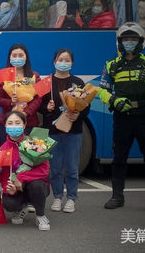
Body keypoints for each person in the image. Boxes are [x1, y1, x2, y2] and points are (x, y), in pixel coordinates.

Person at [97, 22, 145, 213]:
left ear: (141, 42)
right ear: (120, 42)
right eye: (126, 39)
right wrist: (113, 100)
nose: (129, 43)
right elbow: (102, 90)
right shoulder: (112, 65)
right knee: (118, 157)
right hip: (122, 117)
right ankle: (117, 196)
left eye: (133, 39)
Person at [38, 48, 90, 213]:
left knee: (72, 167)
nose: (63, 62)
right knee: (55, 167)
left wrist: (78, 115)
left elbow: (86, 106)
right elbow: (37, 106)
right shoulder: (45, 82)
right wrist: (46, 108)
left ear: (72, 63)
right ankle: (57, 197)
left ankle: (72, 198)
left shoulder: (77, 82)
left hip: (73, 131)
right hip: (52, 131)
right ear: (54, 62)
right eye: (61, 59)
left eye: (67, 60)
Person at [0, 111, 51, 230]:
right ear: (5, 126)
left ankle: (40, 215)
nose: (14, 126)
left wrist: (21, 179)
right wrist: (9, 189)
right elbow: (4, 176)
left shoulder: (34, 143)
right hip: (17, 188)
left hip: (34, 185)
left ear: (24, 125)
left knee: (37, 185)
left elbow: (44, 170)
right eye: (10, 123)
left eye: (18, 123)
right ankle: (20, 207)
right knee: (9, 203)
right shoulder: (3, 150)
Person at [0, 43, 42, 143]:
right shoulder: (2, 75)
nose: (17, 58)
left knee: (30, 153)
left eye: (21, 55)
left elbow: (39, 98)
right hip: (8, 122)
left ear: (26, 57)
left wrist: (26, 113)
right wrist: (11, 102)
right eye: (14, 55)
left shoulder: (34, 76)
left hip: (29, 122)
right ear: (10, 58)